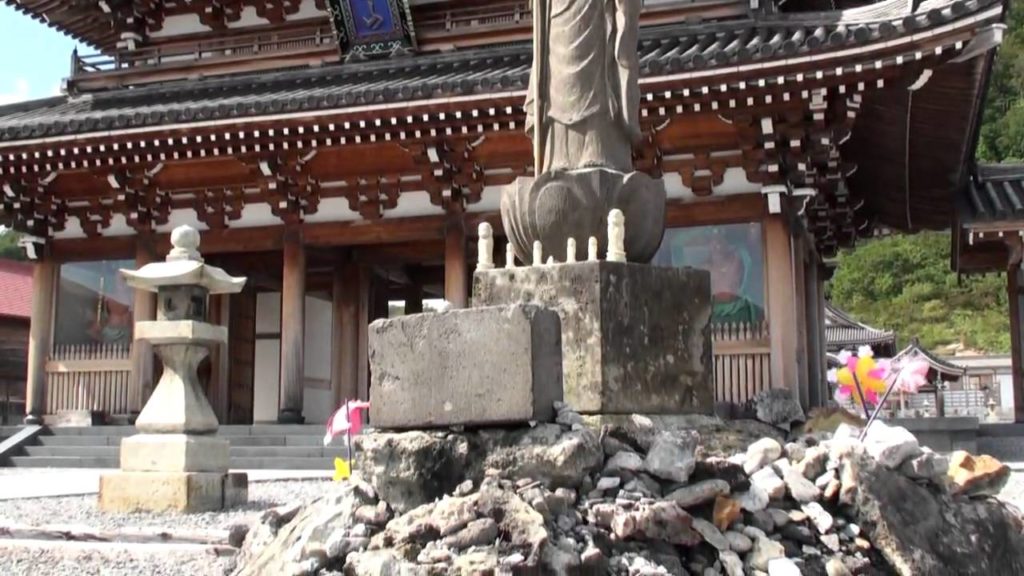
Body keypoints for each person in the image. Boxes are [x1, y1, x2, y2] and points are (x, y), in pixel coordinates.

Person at [525, 0, 642, 173]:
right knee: (557, 83)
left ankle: (599, 149)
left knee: (595, 78)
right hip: (557, 15)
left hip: (593, 11)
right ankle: (559, 154)